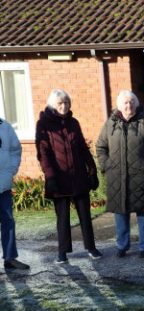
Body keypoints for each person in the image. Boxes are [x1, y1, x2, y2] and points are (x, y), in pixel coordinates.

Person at [35, 89, 102, 264]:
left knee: (85, 215)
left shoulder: (74, 123)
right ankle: (62, 252)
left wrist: (92, 170)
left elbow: (82, 148)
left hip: (78, 176)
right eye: (60, 103)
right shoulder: (44, 125)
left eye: (66, 103)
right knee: (62, 217)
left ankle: (91, 247)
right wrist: (50, 177)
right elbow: (43, 152)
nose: (64, 106)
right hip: (59, 178)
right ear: (53, 105)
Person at [96, 90, 144, 258]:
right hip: (117, 177)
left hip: (142, 176)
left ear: (136, 104)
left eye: (131, 102)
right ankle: (122, 245)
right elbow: (101, 147)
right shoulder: (110, 124)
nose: (129, 105)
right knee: (120, 213)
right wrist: (106, 165)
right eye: (125, 103)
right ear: (119, 105)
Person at [0, 117, 29, 271]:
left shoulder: (5, 126)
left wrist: (11, 169)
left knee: (8, 221)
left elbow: (15, 149)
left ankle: (10, 258)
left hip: (3, 185)